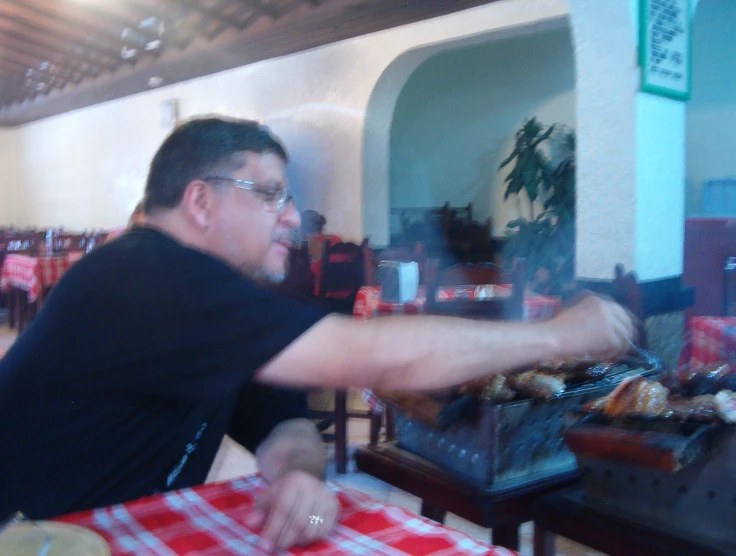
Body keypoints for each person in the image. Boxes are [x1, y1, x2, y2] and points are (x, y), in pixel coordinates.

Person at [0, 117, 634, 552]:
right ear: (200, 202)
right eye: (270, 195)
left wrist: (296, 473)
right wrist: (558, 335)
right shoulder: (144, 272)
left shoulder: (215, 299)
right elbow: (373, 357)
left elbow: (282, 420)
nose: (292, 218)